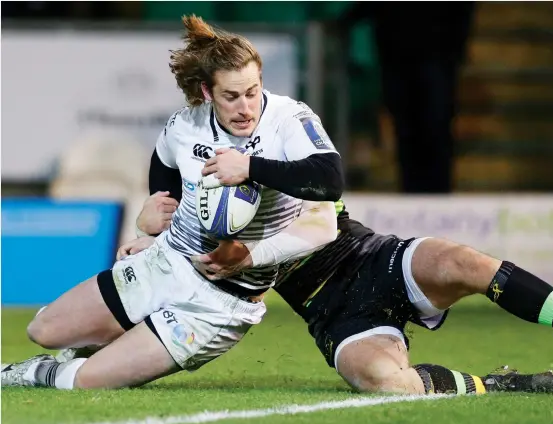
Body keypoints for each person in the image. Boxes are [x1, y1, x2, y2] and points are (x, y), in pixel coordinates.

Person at [1, 15, 344, 390]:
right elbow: (163, 160)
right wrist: (156, 210)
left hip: (220, 303)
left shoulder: (288, 120)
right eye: (231, 96)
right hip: (165, 262)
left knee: (86, 382)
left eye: (253, 91)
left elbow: (329, 179)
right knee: (44, 329)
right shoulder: (186, 124)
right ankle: (81, 353)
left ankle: (34, 373)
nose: (246, 107)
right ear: (208, 93)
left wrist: (250, 169)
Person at [111, 196, 553, 396]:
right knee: (384, 382)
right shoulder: (201, 199)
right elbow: (181, 252)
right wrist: (147, 241)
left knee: (463, 262)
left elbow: (318, 211)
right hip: (332, 312)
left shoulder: (290, 151)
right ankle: (500, 384)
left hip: (374, 258)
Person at [333, 2, 475, 193]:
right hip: (398, 58)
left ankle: (438, 193)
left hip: (435, 55)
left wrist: (457, 50)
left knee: (435, 128)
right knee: (406, 130)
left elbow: (462, 9)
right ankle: (411, 191)